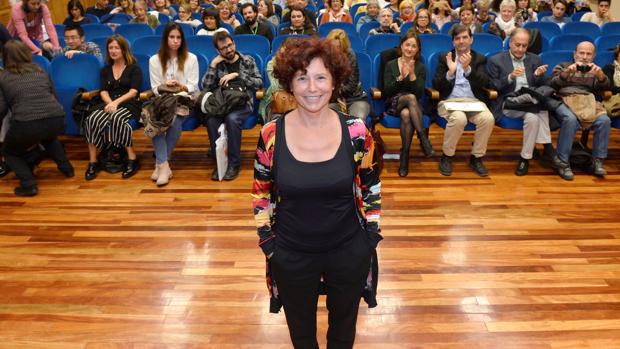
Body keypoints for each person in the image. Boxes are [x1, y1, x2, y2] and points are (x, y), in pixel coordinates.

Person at [251, 36, 381, 349]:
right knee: (302, 335)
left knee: (343, 332)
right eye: (302, 78)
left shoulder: (357, 132)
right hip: (291, 253)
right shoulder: (271, 133)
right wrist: (269, 244)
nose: (312, 88)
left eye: (321, 77)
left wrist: (370, 237)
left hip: (348, 249)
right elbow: (260, 194)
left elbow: (371, 186)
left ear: (335, 82)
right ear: (289, 85)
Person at [0, 40, 74, 197]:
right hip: (56, 118)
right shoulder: (40, 70)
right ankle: (67, 169)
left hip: (27, 123)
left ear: (5, 57)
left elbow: (2, 108)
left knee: (9, 151)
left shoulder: (4, 77)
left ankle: (28, 185)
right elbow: (54, 96)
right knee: (48, 138)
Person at [487, 28, 555, 176]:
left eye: (524, 46)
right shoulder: (496, 60)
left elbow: (544, 84)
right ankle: (548, 147)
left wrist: (538, 75)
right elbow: (493, 86)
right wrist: (510, 77)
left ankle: (525, 158)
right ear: (510, 43)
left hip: (529, 104)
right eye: (517, 45)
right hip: (509, 102)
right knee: (539, 107)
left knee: (533, 118)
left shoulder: (535, 60)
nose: (520, 49)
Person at [432, 24, 494, 177]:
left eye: (465, 37)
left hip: (473, 101)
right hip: (450, 101)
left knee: (488, 118)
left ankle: (477, 157)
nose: (461, 41)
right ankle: (447, 156)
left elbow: (485, 82)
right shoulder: (444, 57)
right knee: (458, 118)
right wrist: (450, 73)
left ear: (471, 39)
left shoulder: (479, 58)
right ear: (453, 42)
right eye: (457, 38)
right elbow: (436, 85)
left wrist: (468, 70)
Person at [203, 31, 262, 181]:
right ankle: (219, 162)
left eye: (230, 45)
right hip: (222, 104)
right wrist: (212, 65)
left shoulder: (247, 60)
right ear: (218, 51)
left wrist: (238, 75)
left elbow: (259, 83)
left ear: (234, 43)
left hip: (243, 103)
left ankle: (234, 163)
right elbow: (206, 86)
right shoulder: (216, 63)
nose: (229, 50)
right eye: (224, 48)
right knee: (211, 121)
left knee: (232, 119)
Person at [549, 41, 611, 180]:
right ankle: (563, 162)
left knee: (604, 120)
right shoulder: (564, 65)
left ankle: (597, 161)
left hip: (587, 100)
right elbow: (552, 83)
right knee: (570, 119)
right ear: (575, 54)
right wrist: (567, 73)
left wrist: (601, 76)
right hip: (564, 98)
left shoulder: (595, 69)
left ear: (593, 56)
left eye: (588, 54)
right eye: (581, 53)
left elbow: (605, 86)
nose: (584, 57)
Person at [83, 35, 142, 181]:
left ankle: (131, 158)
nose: (113, 51)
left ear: (123, 49)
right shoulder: (105, 70)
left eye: (117, 47)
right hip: (109, 102)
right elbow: (103, 91)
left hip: (129, 103)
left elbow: (133, 91)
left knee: (117, 118)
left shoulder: (134, 68)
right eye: (111, 48)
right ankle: (93, 161)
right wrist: (110, 103)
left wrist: (116, 103)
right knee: (92, 119)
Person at [149, 23, 199, 186]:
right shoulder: (154, 60)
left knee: (176, 121)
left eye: (178, 37)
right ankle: (164, 166)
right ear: (165, 39)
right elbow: (155, 89)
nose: (175, 41)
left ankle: (160, 164)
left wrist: (181, 86)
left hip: (183, 99)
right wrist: (166, 86)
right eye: (172, 37)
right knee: (153, 121)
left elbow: (193, 86)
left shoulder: (191, 58)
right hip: (162, 101)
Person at [383, 32, 432, 177]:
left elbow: (419, 93)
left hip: (413, 106)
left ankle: (404, 156)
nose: (410, 49)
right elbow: (387, 91)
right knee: (409, 98)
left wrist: (412, 75)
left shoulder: (421, 67)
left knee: (406, 114)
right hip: (394, 102)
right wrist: (400, 77)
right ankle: (423, 139)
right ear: (401, 46)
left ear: (417, 50)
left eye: (414, 46)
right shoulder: (390, 64)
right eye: (407, 45)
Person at [326, 29, 370, 120]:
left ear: (344, 47)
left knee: (357, 121)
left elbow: (351, 85)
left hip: (355, 98)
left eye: (338, 47)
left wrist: (337, 93)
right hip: (333, 100)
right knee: (328, 120)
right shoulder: (324, 57)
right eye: (332, 47)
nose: (335, 51)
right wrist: (336, 97)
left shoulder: (350, 55)